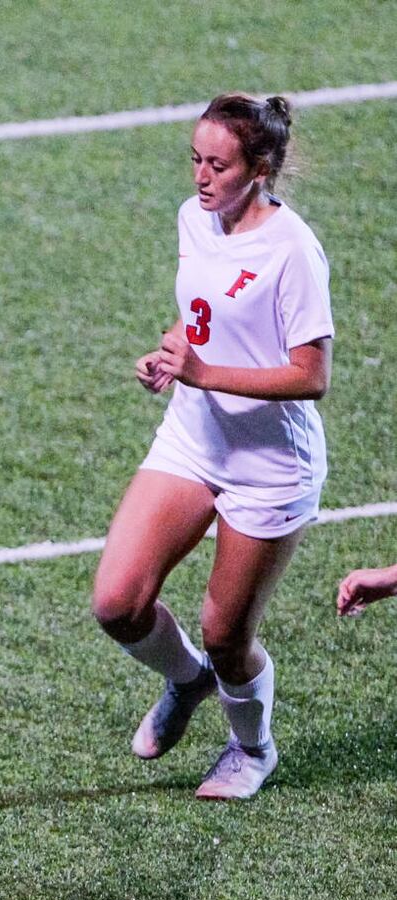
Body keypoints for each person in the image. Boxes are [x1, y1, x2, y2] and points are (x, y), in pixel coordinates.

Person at [90, 93, 333, 799]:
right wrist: (170, 353)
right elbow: (199, 313)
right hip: (194, 440)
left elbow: (309, 375)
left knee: (226, 633)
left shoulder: (292, 252)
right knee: (116, 604)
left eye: (217, 165)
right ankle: (184, 679)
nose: (200, 177)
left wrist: (204, 372)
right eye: (195, 159)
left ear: (258, 169)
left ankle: (251, 749)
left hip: (268, 467)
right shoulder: (194, 220)